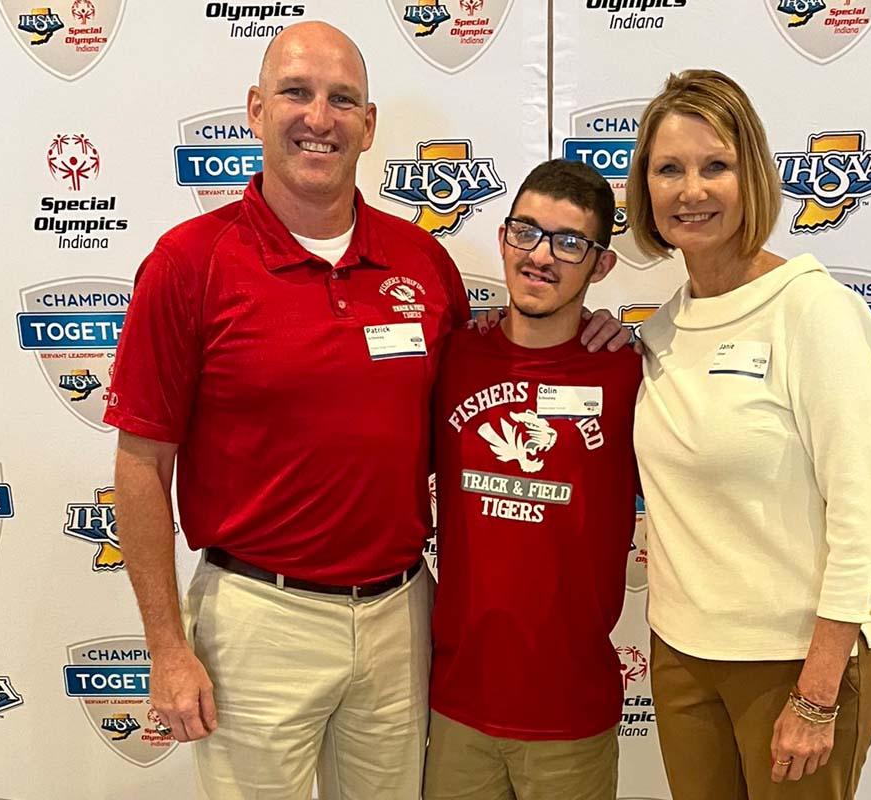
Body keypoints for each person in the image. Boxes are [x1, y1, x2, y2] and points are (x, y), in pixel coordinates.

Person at [104, 22, 628, 800]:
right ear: (255, 110)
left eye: (342, 98)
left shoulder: (422, 262)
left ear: (370, 124)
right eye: (296, 92)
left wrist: (595, 336)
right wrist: (165, 649)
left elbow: (499, 371)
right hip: (258, 618)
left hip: (397, 615)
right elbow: (141, 465)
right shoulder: (190, 263)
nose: (320, 116)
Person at [627, 70, 871, 799]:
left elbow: (862, 521)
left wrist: (816, 693)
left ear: (753, 176)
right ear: (644, 187)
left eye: (716, 166)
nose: (692, 190)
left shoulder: (811, 311)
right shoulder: (664, 326)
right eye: (669, 169)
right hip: (681, 656)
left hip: (797, 663)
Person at [422, 159, 641, 800]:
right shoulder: (453, 358)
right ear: (503, 237)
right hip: (459, 701)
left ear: (601, 266)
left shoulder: (629, 373)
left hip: (570, 711)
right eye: (526, 232)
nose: (541, 256)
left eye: (570, 243)